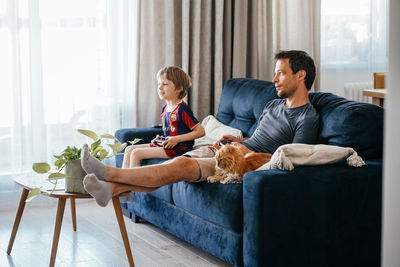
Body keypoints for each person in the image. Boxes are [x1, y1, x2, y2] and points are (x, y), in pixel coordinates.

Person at [81, 50, 320, 207]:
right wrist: (238, 140)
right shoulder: (273, 105)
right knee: (172, 166)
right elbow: (259, 138)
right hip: (230, 150)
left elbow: (291, 158)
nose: (274, 78)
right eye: (275, 72)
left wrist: (241, 153)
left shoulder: (306, 118)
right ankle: (110, 190)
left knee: (180, 165)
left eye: (281, 73)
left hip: (241, 163)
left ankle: (109, 175)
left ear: (301, 75)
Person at [122, 66, 205, 168]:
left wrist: (176, 139)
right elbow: (170, 130)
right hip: (168, 144)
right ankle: (122, 181)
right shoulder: (165, 108)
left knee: (136, 153)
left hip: (179, 148)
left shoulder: (182, 110)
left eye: (164, 84)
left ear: (179, 88)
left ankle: (133, 182)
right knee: (129, 149)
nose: (160, 87)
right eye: (159, 84)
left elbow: (200, 131)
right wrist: (159, 139)